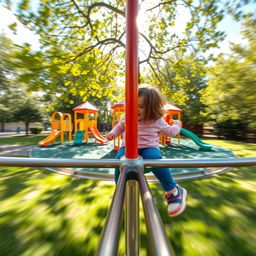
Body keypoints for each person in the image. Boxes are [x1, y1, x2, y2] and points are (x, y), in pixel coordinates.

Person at [105, 85, 187, 217]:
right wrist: (112, 134)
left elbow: (171, 132)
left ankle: (173, 191)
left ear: (151, 108)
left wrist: (177, 124)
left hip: (149, 147)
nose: (136, 109)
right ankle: (121, 194)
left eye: (141, 107)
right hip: (128, 148)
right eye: (133, 105)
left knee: (154, 159)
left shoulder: (156, 120)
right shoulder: (126, 116)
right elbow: (119, 128)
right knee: (119, 162)